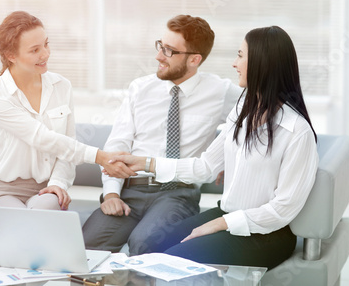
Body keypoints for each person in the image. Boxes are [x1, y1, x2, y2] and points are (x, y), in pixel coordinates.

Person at [108, 26, 319, 269]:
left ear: (263, 63)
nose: (234, 63)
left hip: (267, 233)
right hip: (227, 215)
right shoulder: (243, 111)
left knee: (174, 260)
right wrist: (147, 163)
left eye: (240, 55)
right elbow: (206, 166)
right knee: (151, 245)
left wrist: (221, 224)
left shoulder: (296, 131)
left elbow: (283, 209)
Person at [82, 14, 242, 255]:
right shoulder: (140, 88)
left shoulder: (220, 92)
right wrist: (112, 193)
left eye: (169, 51)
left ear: (194, 60)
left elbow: (260, 120)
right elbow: (118, 144)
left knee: (146, 242)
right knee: (87, 244)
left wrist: (230, 158)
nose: (158, 56)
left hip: (177, 193)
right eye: (160, 46)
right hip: (130, 190)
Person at [0, 11, 133, 210]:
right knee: (17, 222)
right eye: (34, 50)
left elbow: (66, 145)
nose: (45, 54)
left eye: (46, 44)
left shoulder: (62, 86)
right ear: (11, 56)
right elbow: (42, 137)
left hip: (45, 188)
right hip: (2, 189)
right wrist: (101, 157)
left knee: (45, 210)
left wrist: (57, 184)